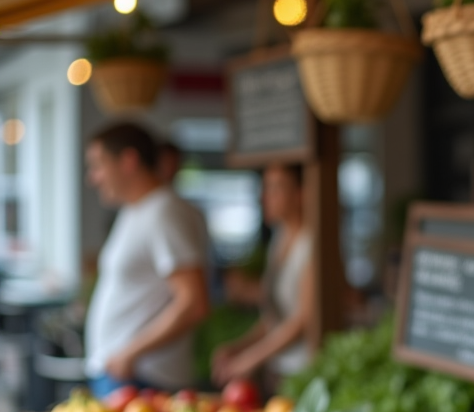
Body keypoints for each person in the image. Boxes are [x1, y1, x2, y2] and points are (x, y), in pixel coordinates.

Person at [85, 123, 210, 397]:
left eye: (98, 165)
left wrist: (130, 354)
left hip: (143, 378)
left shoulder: (164, 212)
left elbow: (193, 303)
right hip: (122, 373)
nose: (93, 178)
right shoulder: (136, 210)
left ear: (128, 161)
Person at [211, 163, 313, 388]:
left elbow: (302, 320)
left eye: (276, 188)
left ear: (301, 194)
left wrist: (249, 359)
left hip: (304, 373)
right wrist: (239, 347)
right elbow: (274, 319)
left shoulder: (312, 244)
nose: (265, 197)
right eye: (265, 188)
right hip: (277, 370)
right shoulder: (279, 239)